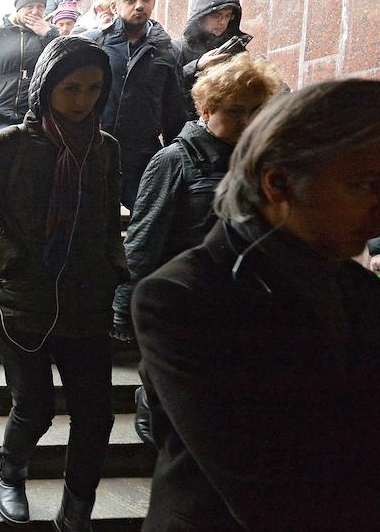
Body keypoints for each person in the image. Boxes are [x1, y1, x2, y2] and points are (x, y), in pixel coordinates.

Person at [120, 79, 380, 532]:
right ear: (278, 184)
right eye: (363, 184)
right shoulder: (184, 296)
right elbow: (272, 490)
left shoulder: (358, 290)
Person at [0, 36, 125, 532]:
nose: (82, 100)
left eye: (93, 89)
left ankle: (76, 516)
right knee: (35, 406)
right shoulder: (9, 145)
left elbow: (109, 220)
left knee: (96, 414)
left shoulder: (105, 148)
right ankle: (10, 472)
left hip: (85, 302)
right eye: (71, 88)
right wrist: (12, 261)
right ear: (46, 87)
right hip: (18, 302)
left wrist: (114, 268)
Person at [113, 53, 283, 341]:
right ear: (206, 111)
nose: (247, 121)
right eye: (235, 111)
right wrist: (123, 310)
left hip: (247, 307)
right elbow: (145, 239)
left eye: (255, 110)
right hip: (187, 306)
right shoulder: (175, 159)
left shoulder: (261, 161)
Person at [83, 0, 187, 209]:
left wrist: (177, 158)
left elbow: (173, 109)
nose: (139, 5)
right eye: (131, 0)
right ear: (115, 6)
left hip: (142, 156)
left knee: (148, 216)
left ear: (154, 1)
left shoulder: (168, 50)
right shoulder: (94, 43)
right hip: (94, 151)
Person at [0, 0, 59, 131]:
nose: (35, 11)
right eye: (29, 6)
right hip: (1, 114)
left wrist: (48, 35)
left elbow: (61, 64)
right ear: (19, 9)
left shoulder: (50, 33)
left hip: (37, 115)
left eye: (40, 6)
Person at [173, 0, 252, 119]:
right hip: (187, 126)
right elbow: (165, 88)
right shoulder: (177, 48)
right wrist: (196, 66)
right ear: (202, 16)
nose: (223, 22)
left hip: (227, 124)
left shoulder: (235, 50)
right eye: (216, 15)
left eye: (228, 16)